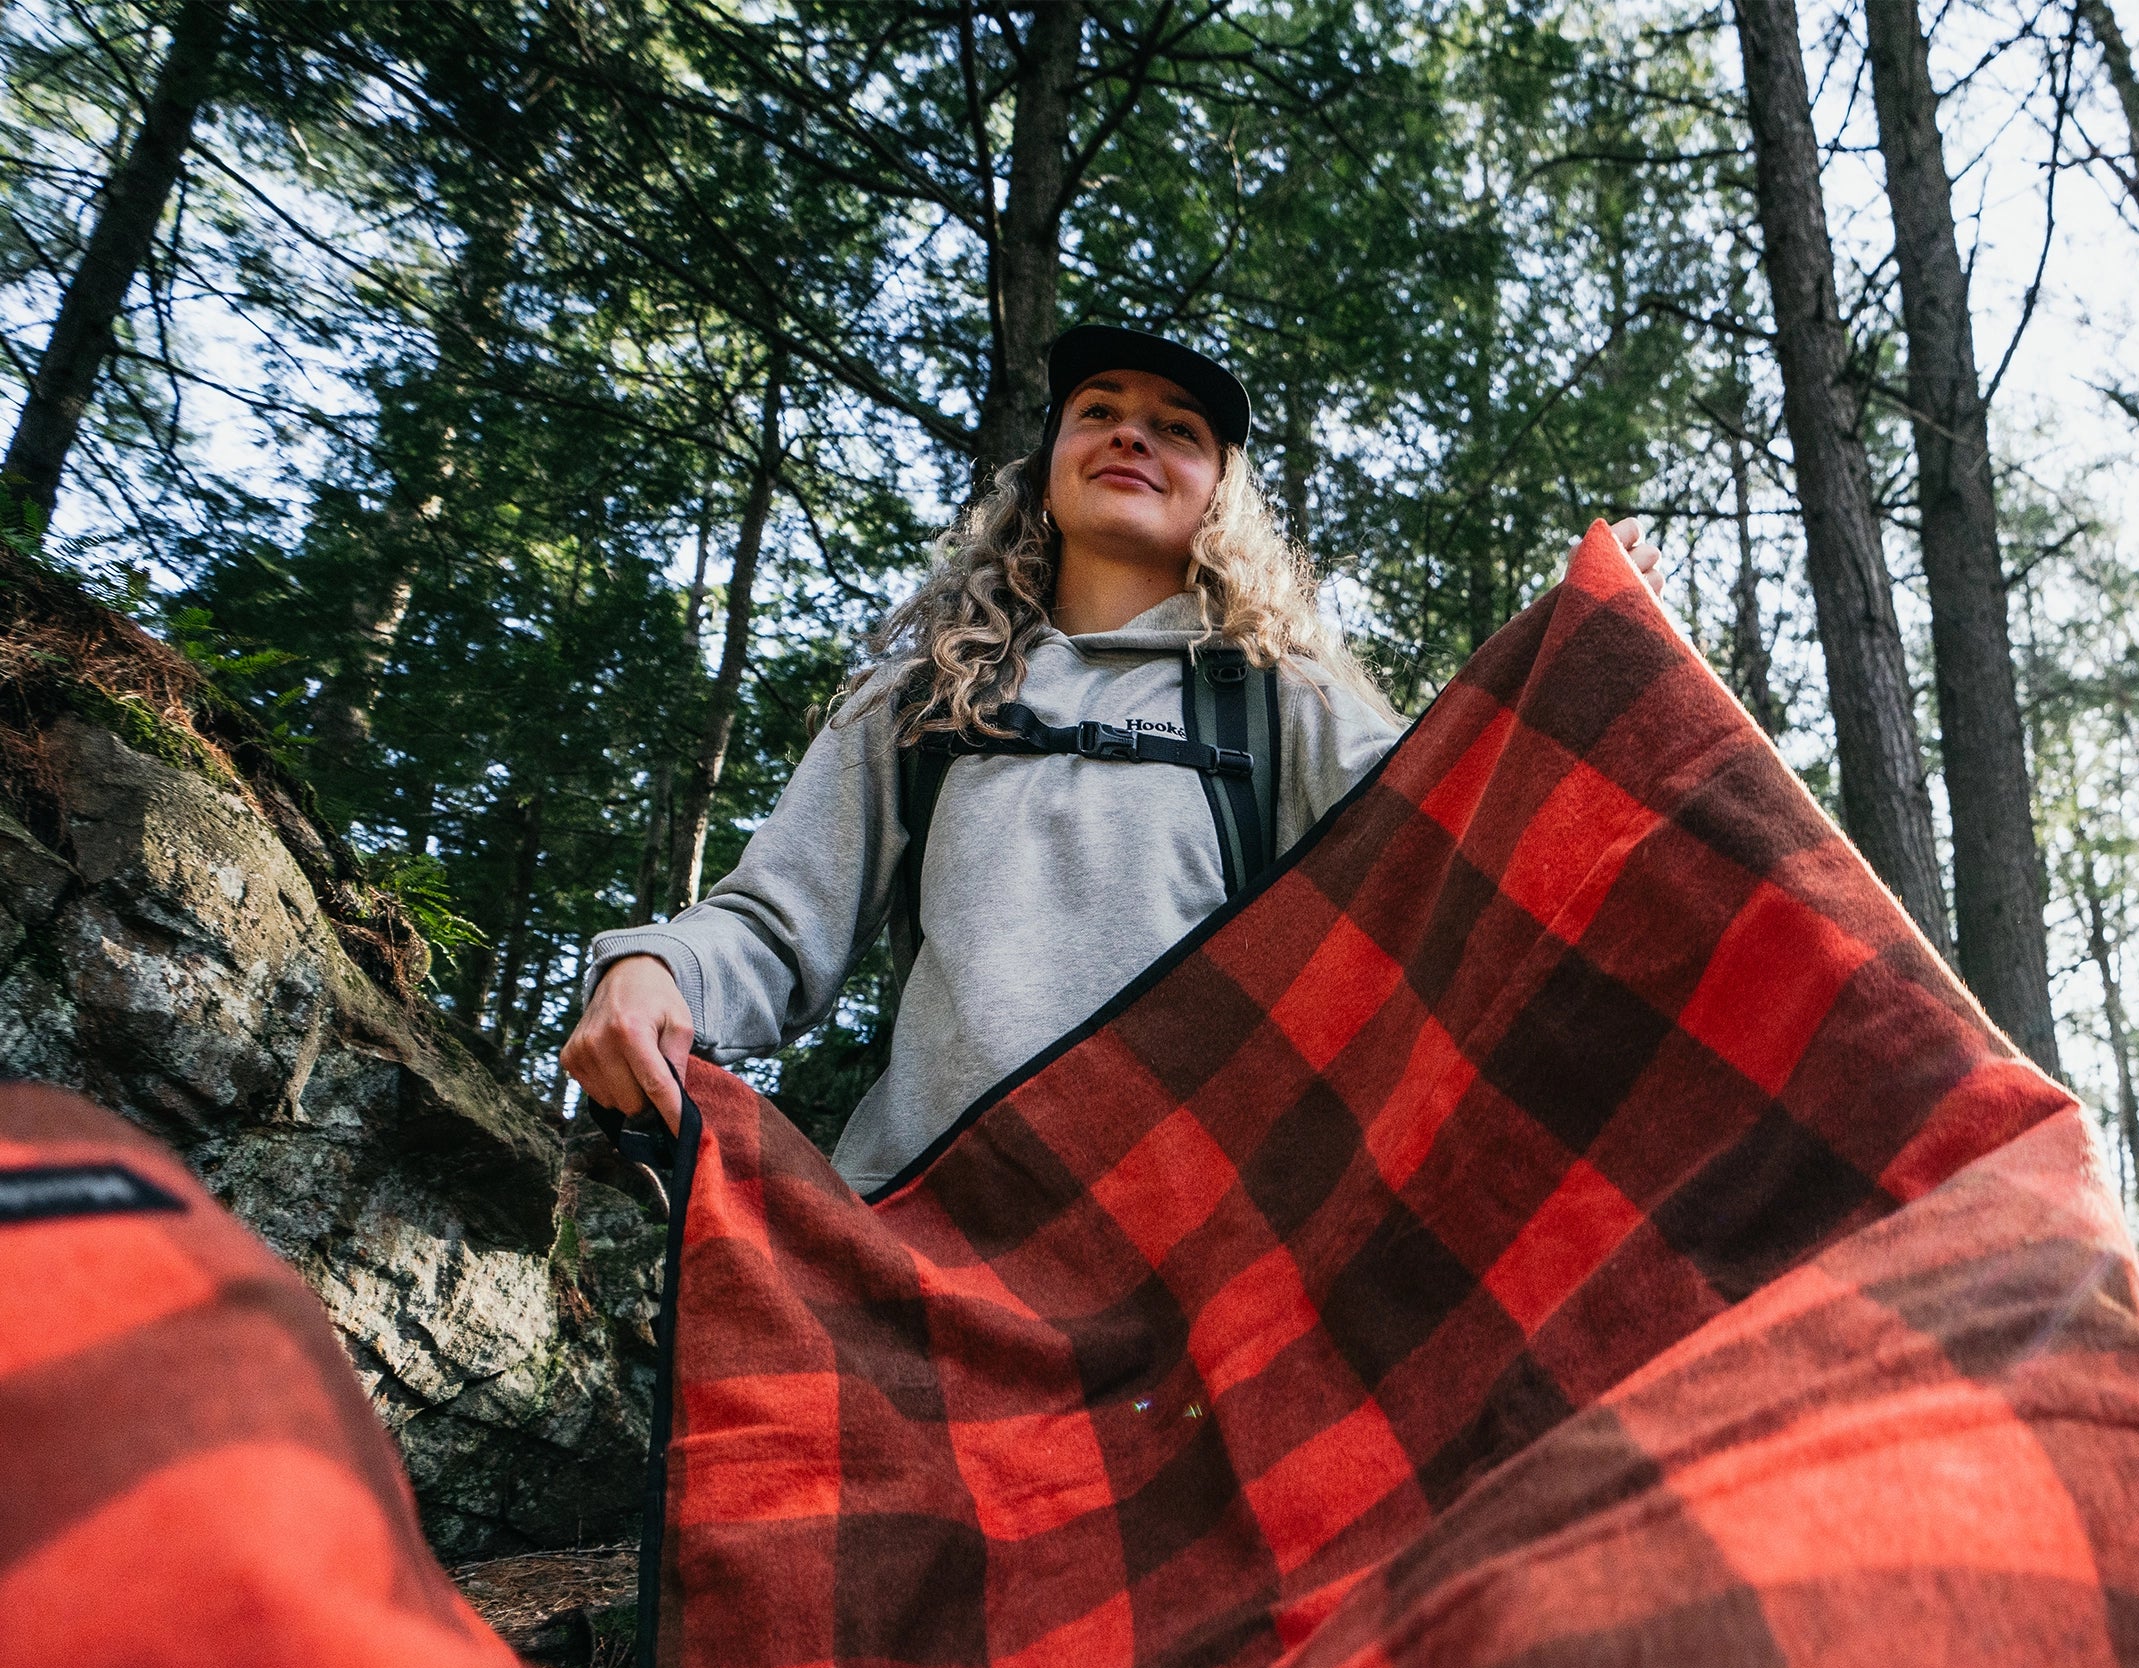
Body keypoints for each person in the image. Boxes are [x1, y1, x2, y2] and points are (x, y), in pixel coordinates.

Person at [563, 324, 1669, 1190]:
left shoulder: (1287, 702)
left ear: (1217, 493)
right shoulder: (927, 693)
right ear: (1047, 465)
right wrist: (660, 967)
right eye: (1098, 412)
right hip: (924, 1219)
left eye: (1177, 427)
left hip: (1192, 1246)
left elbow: (1451, 847)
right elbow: (771, 924)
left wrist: (1571, 686)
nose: (1132, 434)